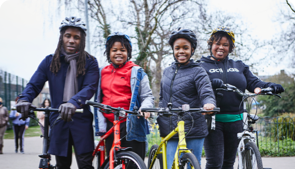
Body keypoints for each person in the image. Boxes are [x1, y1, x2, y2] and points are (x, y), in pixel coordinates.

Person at [15, 16, 99, 169]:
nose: (72, 40)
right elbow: (34, 84)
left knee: (86, 165)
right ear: (62, 37)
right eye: (68, 36)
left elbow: (90, 87)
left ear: (82, 40)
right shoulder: (49, 61)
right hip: (58, 120)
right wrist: (24, 99)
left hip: (81, 121)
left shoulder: (90, 62)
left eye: (76, 37)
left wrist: (73, 103)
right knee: (62, 165)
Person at [198, 26, 285, 169]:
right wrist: (210, 83)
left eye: (225, 45)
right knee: (215, 163)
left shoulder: (239, 66)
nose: (221, 47)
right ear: (211, 45)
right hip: (213, 121)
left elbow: (254, 83)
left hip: (236, 121)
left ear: (231, 48)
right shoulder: (201, 65)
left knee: (228, 163)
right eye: (217, 44)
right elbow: (195, 85)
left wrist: (270, 86)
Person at [157, 28, 216, 168]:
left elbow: (206, 90)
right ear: (173, 50)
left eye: (185, 48)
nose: (181, 51)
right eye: (177, 48)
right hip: (170, 127)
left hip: (193, 126)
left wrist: (209, 103)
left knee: (192, 165)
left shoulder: (198, 71)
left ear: (192, 50)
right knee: (169, 163)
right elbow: (162, 97)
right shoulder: (167, 72)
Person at [95, 32, 154, 160]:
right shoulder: (101, 72)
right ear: (108, 53)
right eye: (114, 50)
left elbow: (147, 96)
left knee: (134, 162)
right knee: (112, 160)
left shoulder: (136, 71)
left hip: (131, 123)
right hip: (111, 124)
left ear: (128, 52)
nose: (118, 53)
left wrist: (146, 107)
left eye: (123, 50)